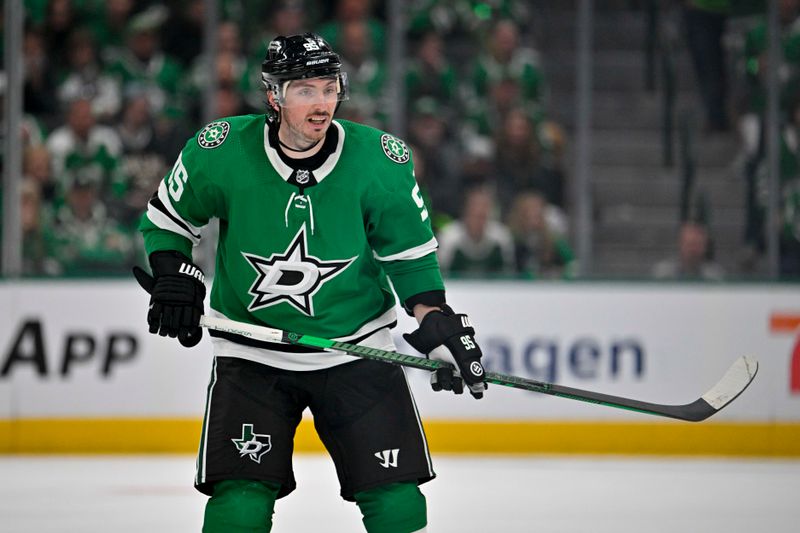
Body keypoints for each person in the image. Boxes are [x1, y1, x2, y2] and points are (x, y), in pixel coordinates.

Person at [132, 33, 486, 533]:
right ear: (274, 97)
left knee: (399, 506)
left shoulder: (380, 160)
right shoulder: (223, 150)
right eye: (305, 91)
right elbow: (167, 222)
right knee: (239, 507)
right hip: (252, 350)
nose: (321, 104)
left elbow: (410, 262)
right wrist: (175, 273)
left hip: (357, 349)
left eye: (329, 88)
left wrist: (437, 323)